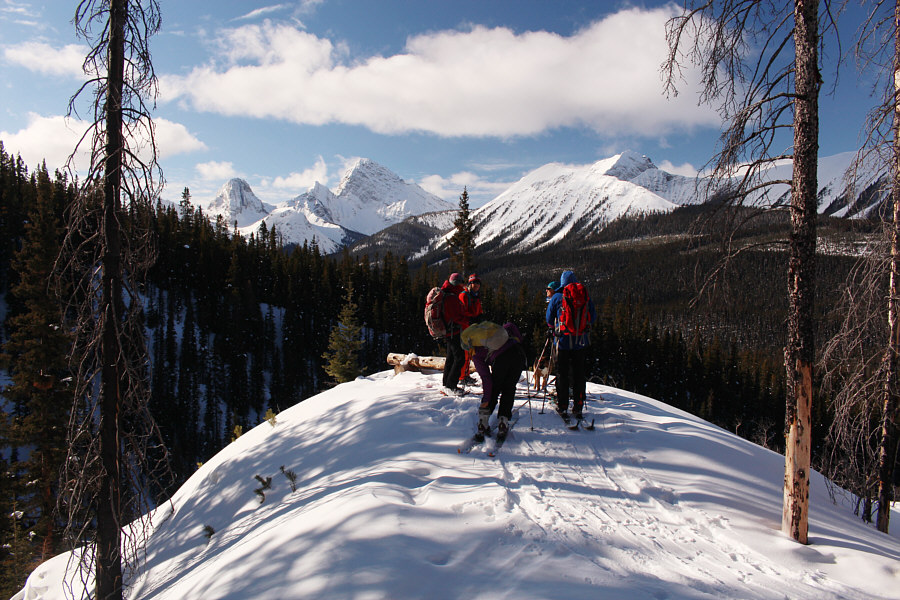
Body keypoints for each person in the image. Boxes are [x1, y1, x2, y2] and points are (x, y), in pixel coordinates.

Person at [461, 321, 527, 439]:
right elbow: (511, 325)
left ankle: (483, 423)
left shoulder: (476, 355)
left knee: (494, 388)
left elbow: (487, 381)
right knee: (509, 389)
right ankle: (503, 421)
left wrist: (486, 399)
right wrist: (519, 339)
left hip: (501, 360)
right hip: (518, 355)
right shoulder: (494, 336)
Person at [546, 270, 596, 419]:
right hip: (580, 342)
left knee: (562, 373)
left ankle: (562, 405)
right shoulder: (584, 296)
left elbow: (549, 319)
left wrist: (554, 329)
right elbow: (592, 317)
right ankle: (578, 404)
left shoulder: (557, 297)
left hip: (562, 342)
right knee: (579, 373)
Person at [440, 272, 469, 396]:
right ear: (458, 283)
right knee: (460, 358)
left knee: (451, 358)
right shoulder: (452, 296)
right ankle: (451, 386)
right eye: (462, 283)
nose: (463, 286)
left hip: (447, 331)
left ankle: (446, 383)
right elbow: (456, 316)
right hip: (453, 332)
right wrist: (468, 322)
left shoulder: (446, 292)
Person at [458, 274, 484, 386]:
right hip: (465, 328)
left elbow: (478, 311)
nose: (477, 285)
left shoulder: (475, 296)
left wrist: (480, 317)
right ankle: (461, 377)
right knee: (465, 353)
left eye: (478, 283)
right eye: (474, 283)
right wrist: (472, 318)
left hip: (472, 328)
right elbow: (461, 312)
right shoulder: (464, 296)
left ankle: (466, 375)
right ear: (470, 284)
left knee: (469, 353)